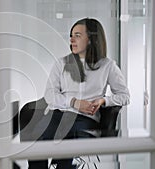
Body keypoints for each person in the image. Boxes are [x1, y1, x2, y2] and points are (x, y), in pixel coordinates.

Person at [28, 18, 130, 169]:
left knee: (65, 153)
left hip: (84, 121)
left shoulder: (108, 66)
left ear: (91, 39)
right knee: (36, 141)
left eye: (77, 35)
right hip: (57, 115)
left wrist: (103, 101)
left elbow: (124, 96)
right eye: (71, 35)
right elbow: (50, 95)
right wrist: (74, 102)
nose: (71, 39)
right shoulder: (61, 63)